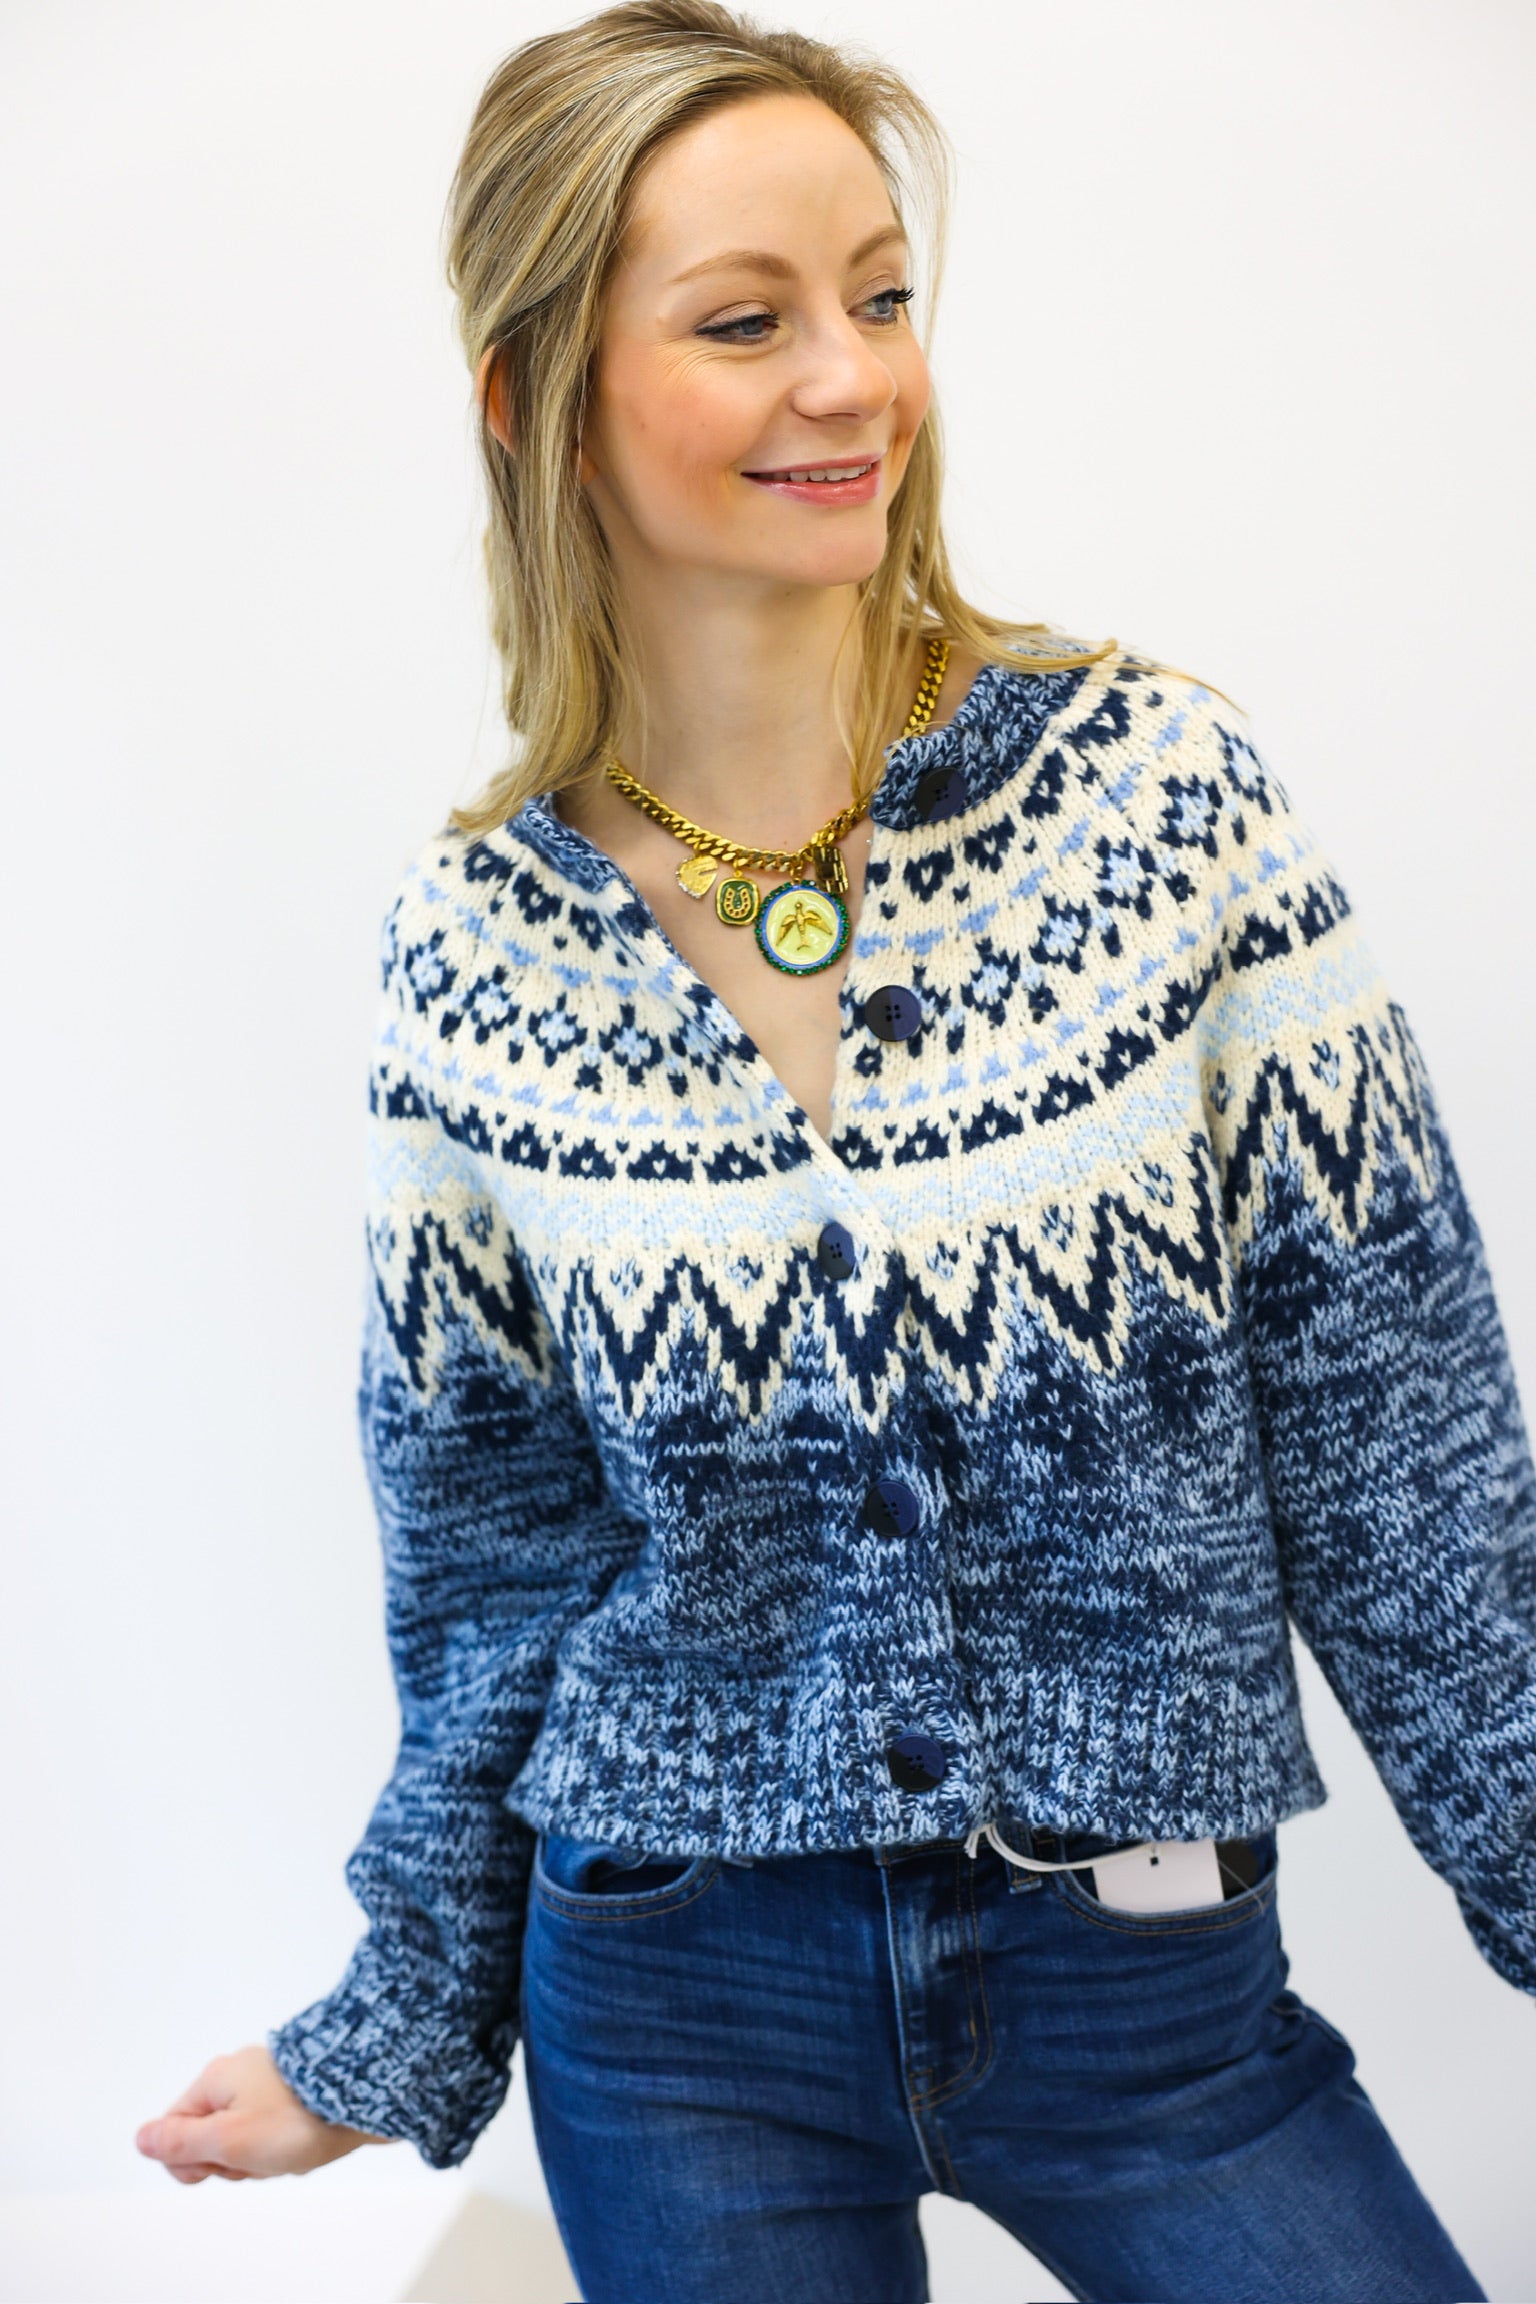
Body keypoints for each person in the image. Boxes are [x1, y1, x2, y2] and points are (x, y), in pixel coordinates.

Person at [135, 5, 1533, 2297]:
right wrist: (391, 2019)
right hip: (677, 2002)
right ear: (531, 398)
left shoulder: (1154, 799)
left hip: (1150, 1984)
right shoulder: (472, 948)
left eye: (881, 297)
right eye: (745, 319)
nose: (852, 379)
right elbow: (492, 1568)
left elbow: (1402, 1443)